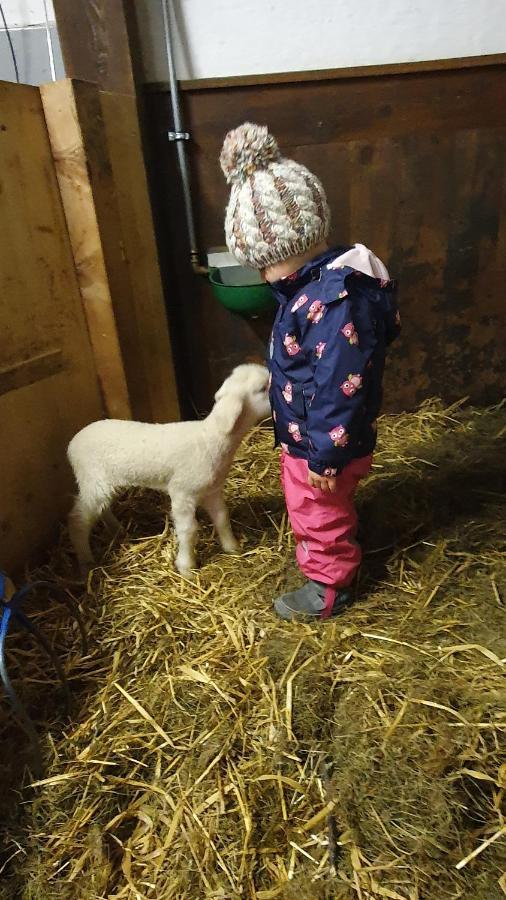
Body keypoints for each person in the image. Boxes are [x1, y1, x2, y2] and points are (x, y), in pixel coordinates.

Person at [220, 123, 400, 621]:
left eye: (264, 265)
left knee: (314, 510)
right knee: (329, 504)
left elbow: (338, 388)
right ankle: (339, 544)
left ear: (285, 251)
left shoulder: (331, 301)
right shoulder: (320, 287)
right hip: (324, 436)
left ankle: (328, 586)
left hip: (321, 443)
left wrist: (323, 456)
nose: (262, 276)